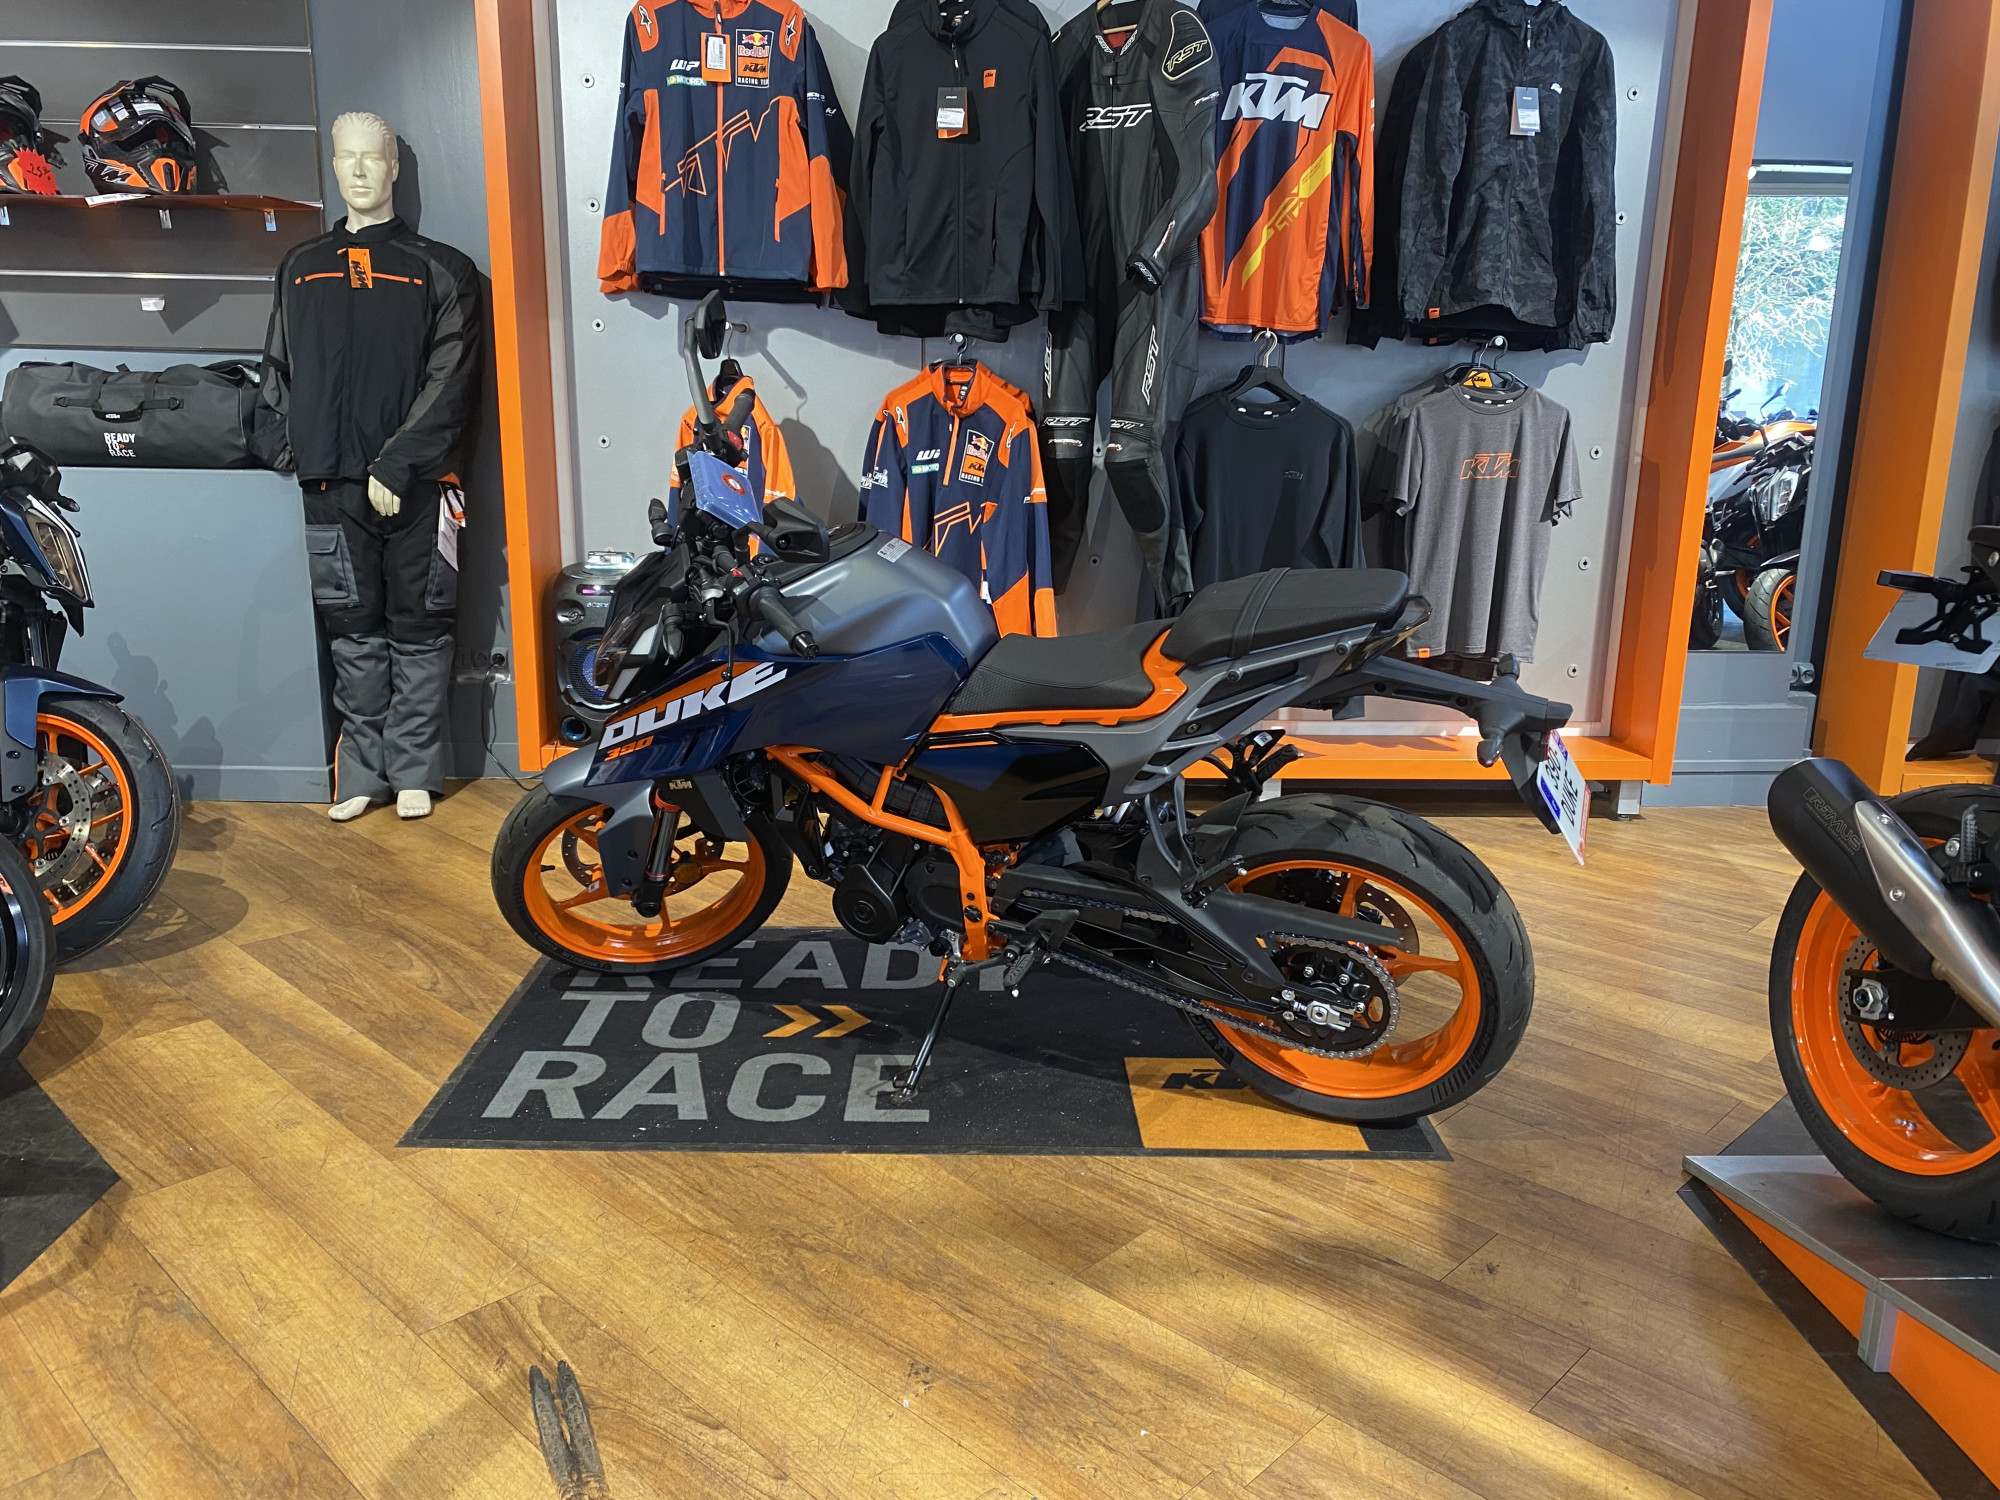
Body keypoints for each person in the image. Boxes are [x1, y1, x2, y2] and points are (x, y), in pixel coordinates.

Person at [262, 111, 483, 822]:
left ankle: (415, 771)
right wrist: (297, 452)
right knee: (351, 630)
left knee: (422, 625)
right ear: (332, 165)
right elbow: (277, 370)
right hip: (330, 486)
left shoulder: (441, 269)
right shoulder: (300, 268)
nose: (358, 170)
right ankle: (362, 773)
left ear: (394, 167)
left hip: (419, 487)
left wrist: (397, 462)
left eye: (373, 158)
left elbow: (453, 378)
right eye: (345, 157)